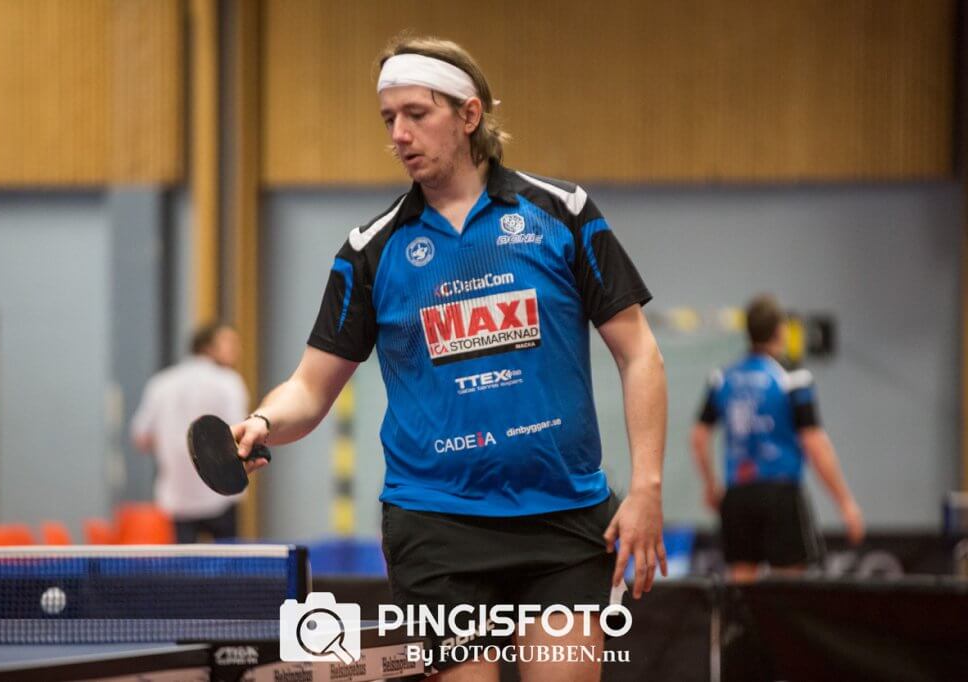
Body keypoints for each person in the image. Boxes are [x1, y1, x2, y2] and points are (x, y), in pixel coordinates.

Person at [234, 35, 667, 681]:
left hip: (565, 518)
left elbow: (640, 354)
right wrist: (264, 422)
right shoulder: (371, 250)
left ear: (470, 114)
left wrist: (646, 488)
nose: (399, 135)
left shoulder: (564, 214)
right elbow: (310, 387)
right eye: (389, 119)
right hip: (438, 528)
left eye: (417, 113)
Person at [690, 295, 865, 583]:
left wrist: (710, 485)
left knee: (741, 584)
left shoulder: (722, 378)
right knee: (788, 587)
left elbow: (698, 437)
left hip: (737, 494)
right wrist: (845, 502)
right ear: (780, 331)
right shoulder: (792, 378)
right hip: (781, 493)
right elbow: (815, 443)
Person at [131, 323, 249, 543]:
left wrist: (172, 446)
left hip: (176, 498)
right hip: (221, 496)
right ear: (208, 347)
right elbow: (240, 434)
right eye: (230, 343)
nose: (237, 349)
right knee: (228, 563)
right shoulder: (229, 383)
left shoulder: (161, 383)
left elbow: (141, 437)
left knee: (183, 563)